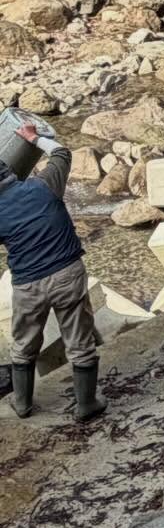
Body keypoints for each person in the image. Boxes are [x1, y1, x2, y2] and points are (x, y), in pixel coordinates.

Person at [2, 120, 105, 423]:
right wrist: (34, 139)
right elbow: (62, 153)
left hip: (28, 285)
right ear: (11, 172)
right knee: (79, 341)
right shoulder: (45, 184)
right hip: (67, 274)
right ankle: (86, 405)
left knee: (23, 345)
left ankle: (22, 405)